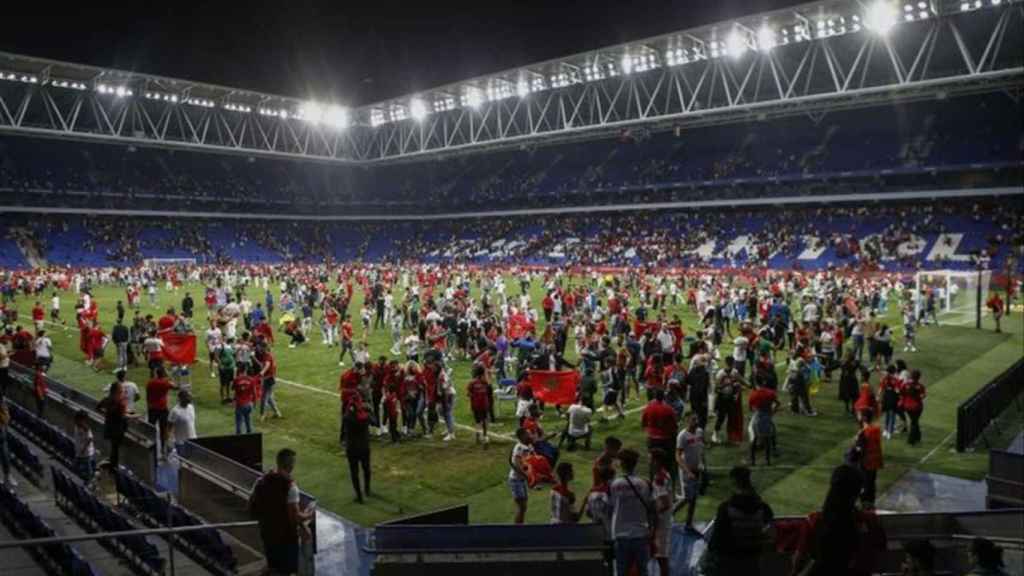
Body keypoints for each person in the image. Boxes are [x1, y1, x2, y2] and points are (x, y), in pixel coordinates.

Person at [791, 464, 887, 576]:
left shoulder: (814, 521)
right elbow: (880, 550)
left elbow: (798, 563)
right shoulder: (869, 521)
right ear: (857, 492)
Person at [249, 449, 314, 576]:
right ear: (291, 465)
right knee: (286, 570)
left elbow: (251, 506)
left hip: (266, 532)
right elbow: (294, 517)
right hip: (285, 539)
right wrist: (309, 514)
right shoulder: (290, 487)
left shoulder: (261, 481)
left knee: (273, 566)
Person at [701, 466, 774, 576]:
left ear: (735, 483)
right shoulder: (763, 507)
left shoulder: (726, 508)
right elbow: (769, 526)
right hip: (752, 561)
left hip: (731, 563)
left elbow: (716, 543)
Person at [609, 448, 654, 576]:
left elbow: (612, 506)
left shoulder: (615, 484)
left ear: (622, 464)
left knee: (621, 571)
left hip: (620, 534)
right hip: (641, 533)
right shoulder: (644, 483)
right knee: (643, 571)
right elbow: (651, 507)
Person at [675, 412, 704, 531]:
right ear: (687, 421)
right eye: (693, 419)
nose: (696, 421)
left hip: (697, 470)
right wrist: (687, 471)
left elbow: (701, 448)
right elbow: (677, 456)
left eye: (696, 419)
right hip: (687, 471)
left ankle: (688, 523)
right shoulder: (682, 436)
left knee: (694, 498)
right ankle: (670, 514)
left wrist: (702, 463)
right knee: (687, 498)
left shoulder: (699, 432)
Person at [97, 380, 133, 470]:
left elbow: (98, 407)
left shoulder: (107, 399)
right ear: (117, 391)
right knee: (115, 449)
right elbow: (123, 416)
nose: (123, 391)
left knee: (114, 448)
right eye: (121, 390)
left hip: (109, 427)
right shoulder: (120, 402)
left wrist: (106, 414)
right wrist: (135, 416)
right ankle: (114, 468)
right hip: (117, 429)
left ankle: (113, 466)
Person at [852, 408, 883, 508]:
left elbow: (859, 449)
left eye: (859, 415)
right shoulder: (875, 430)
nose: (857, 416)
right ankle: (870, 503)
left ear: (864, 418)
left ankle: (866, 505)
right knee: (871, 484)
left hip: (865, 462)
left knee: (865, 485)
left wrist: (856, 443)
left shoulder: (864, 433)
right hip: (875, 461)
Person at [342, 399, 372, 504]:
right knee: (366, 469)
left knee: (354, 473)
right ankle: (367, 490)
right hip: (364, 447)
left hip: (352, 449)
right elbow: (375, 421)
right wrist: (368, 410)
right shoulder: (365, 417)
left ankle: (359, 496)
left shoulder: (347, 418)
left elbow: (344, 428)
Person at [650, 448, 674, 576]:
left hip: (662, 521)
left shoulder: (659, 478)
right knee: (661, 555)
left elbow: (664, 503)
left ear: (657, 460)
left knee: (661, 556)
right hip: (665, 519)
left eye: (652, 459)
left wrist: (653, 513)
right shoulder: (664, 474)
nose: (650, 462)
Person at [508, 427, 535, 524]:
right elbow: (516, 464)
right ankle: (518, 528)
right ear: (523, 436)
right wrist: (527, 476)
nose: (530, 435)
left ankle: (520, 525)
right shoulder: (519, 448)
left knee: (524, 506)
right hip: (516, 480)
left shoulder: (527, 446)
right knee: (522, 506)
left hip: (521, 480)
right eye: (528, 434)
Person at [901, 369, 927, 446]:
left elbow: (901, 392)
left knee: (914, 421)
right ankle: (911, 440)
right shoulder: (920, 386)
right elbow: (923, 396)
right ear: (918, 377)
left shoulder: (905, 384)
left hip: (907, 406)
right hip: (917, 407)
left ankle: (918, 437)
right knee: (914, 422)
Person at [467, 365, 491, 445]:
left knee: (477, 421)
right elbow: (489, 392)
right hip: (483, 404)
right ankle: (484, 435)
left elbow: (468, 393)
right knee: (484, 420)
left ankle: (478, 435)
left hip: (475, 404)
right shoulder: (485, 382)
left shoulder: (472, 383)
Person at [72, 409, 96, 485]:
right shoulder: (76, 426)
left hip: (86, 454)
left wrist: (83, 448)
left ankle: (88, 483)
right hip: (78, 453)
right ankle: (87, 480)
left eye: (78, 419)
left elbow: (90, 438)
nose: (76, 421)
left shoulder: (86, 428)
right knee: (75, 468)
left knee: (88, 471)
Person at [233, 366, 257, 435]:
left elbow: (234, 390)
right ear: (245, 370)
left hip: (240, 404)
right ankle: (249, 435)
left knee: (239, 422)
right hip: (249, 404)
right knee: (248, 421)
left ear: (238, 371)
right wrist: (254, 403)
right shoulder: (251, 380)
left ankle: (239, 436)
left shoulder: (236, 380)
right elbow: (254, 393)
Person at [0, 392, 15, 487]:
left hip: (1, 436)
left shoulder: (2, 407)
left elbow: (6, 420)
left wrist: (3, 409)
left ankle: (8, 475)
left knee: (6, 457)